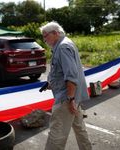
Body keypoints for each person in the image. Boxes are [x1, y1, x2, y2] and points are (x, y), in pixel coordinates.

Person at [40, 21, 92, 150]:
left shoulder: (62, 47)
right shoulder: (63, 44)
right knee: (80, 129)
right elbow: (63, 72)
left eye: (45, 35)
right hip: (73, 96)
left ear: (56, 33)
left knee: (56, 136)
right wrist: (51, 83)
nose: (44, 39)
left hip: (66, 99)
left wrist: (70, 99)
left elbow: (71, 76)